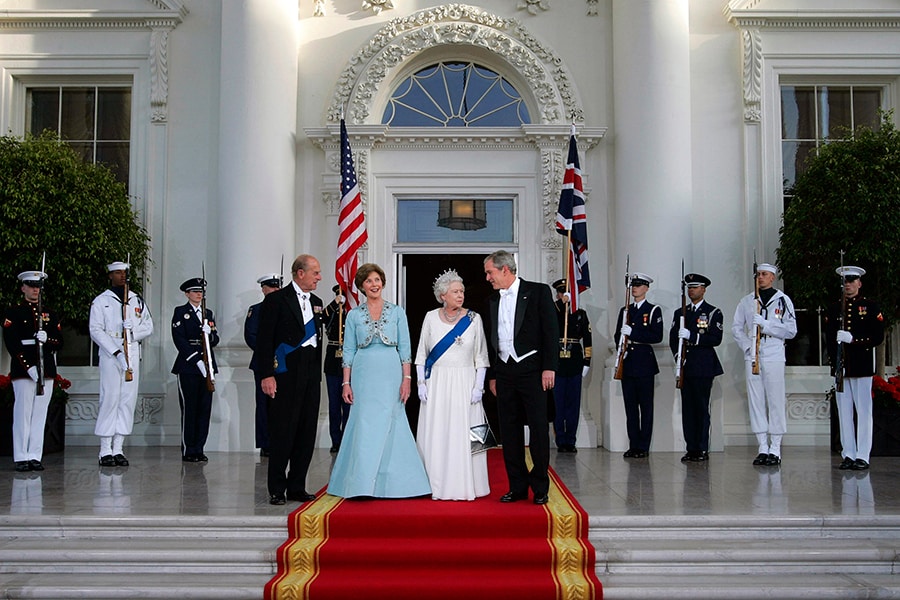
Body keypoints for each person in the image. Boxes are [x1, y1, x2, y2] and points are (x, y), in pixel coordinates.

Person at [327, 263, 431, 499]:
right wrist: (346, 383)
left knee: (393, 421)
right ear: (362, 287)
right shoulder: (353, 315)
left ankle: (401, 484)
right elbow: (349, 350)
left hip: (391, 372)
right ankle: (361, 485)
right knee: (364, 424)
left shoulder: (397, 312)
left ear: (382, 282)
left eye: (377, 280)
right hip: (363, 374)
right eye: (369, 281)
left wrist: (406, 379)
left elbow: (405, 348)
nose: (374, 285)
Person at [482, 251, 558, 505]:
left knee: (538, 430)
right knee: (509, 433)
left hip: (533, 372)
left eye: (490, 272)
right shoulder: (493, 300)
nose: (487, 278)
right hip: (504, 373)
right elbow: (492, 340)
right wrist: (493, 375)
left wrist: (550, 368)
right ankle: (517, 487)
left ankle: (540, 487)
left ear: (505, 270)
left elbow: (551, 331)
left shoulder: (538, 292)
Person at [415, 269, 490, 501]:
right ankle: (434, 483)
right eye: (456, 291)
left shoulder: (474, 319)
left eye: (462, 291)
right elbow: (421, 353)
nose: (461, 295)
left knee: (465, 433)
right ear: (443, 295)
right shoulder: (429, 317)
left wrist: (479, 387)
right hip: (437, 382)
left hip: (466, 383)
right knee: (439, 431)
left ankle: (469, 485)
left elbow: (481, 357)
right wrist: (421, 383)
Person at [255, 255, 325, 505]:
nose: (319, 277)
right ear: (300, 273)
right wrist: (266, 374)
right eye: (315, 272)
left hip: (310, 374)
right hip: (284, 373)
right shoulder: (276, 300)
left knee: (306, 432)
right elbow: (264, 340)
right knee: (283, 431)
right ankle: (276, 488)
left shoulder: (317, 302)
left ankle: (297, 486)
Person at [89, 261, 154, 467]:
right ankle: (105, 449)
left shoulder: (136, 299)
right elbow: (96, 329)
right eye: (118, 273)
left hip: (132, 349)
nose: (122, 276)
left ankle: (118, 448)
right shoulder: (102, 301)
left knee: (127, 399)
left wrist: (133, 332)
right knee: (110, 398)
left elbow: (148, 325)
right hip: (111, 351)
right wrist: (116, 351)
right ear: (110, 276)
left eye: (125, 273)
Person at [732, 262, 797, 467]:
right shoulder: (747, 301)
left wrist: (767, 325)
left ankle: (775, 447)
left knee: (775, 399)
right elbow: (736, 328)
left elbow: (791, 330)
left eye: (764, 274)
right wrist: (747, 346)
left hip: (774, 352)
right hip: (753, 353)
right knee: (756, 399)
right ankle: (762, 446)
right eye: (758, 274)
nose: (760, 277)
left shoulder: (783, 301)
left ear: (772, 278)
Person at [2, 270, 63, 472]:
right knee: (23, 413)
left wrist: (48, 338)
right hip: (24, 369)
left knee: (40, 414)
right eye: (31, 286)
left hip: (46, 368)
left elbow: (59, 342)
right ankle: (21, 456)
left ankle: (35, 455)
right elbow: (12, 342)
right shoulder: (14, 313)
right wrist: (29, 367)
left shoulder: (49, 313)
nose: (35, 290)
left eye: (38, 287)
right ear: (23, 288)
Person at [825, 266, 884, 471]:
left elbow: (877, 337)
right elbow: (829, 340)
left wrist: (854, 340)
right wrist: (835, 363)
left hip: (862, 365)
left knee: (864, 411)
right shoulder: (834, 309)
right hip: (843, 367)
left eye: (852, 281)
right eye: (845, 282)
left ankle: (863, 455)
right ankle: (848, 453)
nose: (848, 285)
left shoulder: (870, 306)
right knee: (844, 411)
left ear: (859, 283)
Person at [668, 273, 724, 463]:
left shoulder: (712, 312)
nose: (692, 290)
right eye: (689, 287)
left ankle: (701, 448)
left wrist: (693, 336)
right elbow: (673, 339)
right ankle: (690, 447)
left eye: (696, 287)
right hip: (686, 365)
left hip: (703, 365)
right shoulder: (680, 313)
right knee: (688, 408)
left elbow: (715, 338)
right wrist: (678, 357)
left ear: (703, 289)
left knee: (701, 407)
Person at [614, 272, 663, 458]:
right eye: (633, 285)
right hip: (628, 362)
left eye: (639, 285)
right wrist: (621, 347)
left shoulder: (652, 310)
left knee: (646, 407)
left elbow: (656, 336)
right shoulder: (625, 310)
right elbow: (617, 335)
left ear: (646, 288)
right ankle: (633, 444)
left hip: (644, 362)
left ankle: (643, 446)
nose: (635, 288)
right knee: (631, 408)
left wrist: (633, 333)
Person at [171, 277, 219, 463]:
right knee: (190, 408)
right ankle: (189, 449)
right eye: (195, 291)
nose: (199, 294)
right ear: (187, 294)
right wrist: (196, 361)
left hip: (208, 368)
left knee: (204, 409)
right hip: (189, 367)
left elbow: (215, 340)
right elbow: (179, 340)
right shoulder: (181, 312)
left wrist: (210, 334)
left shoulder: (208, 313)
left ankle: (199, 448)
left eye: (200, 292)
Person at [550, 278, 592, 454]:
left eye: (566, 292)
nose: (563, 295)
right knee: (557, 404)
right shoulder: (554, 310)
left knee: (573, 404)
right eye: (560, 292)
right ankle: (561, 440)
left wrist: (587, 361)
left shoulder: (580, 314)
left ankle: (571, 440)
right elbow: (550, 317)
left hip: (574, 360)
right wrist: (561, 303)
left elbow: (588, 339)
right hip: (557, 361)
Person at [244, 273, 282, 458]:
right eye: (271, 287)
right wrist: (268, 353)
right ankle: (265, 443)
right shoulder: (256, 310)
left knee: (281, 405)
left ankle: (279, 440)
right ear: (263, 289)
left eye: (277, 287)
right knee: (264, 404)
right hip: (262, 363)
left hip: (283, 363)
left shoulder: (285, 308)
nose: (275, 290)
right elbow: (251, 336)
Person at [322, 284, 350, 453]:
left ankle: (346, 438)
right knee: (334, 404)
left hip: (348, 360)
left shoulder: (352, 314)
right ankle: (335, 440)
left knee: (347, 404)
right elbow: (321, 318)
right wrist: (335, 304)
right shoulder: (332, 312)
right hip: (333, 360)